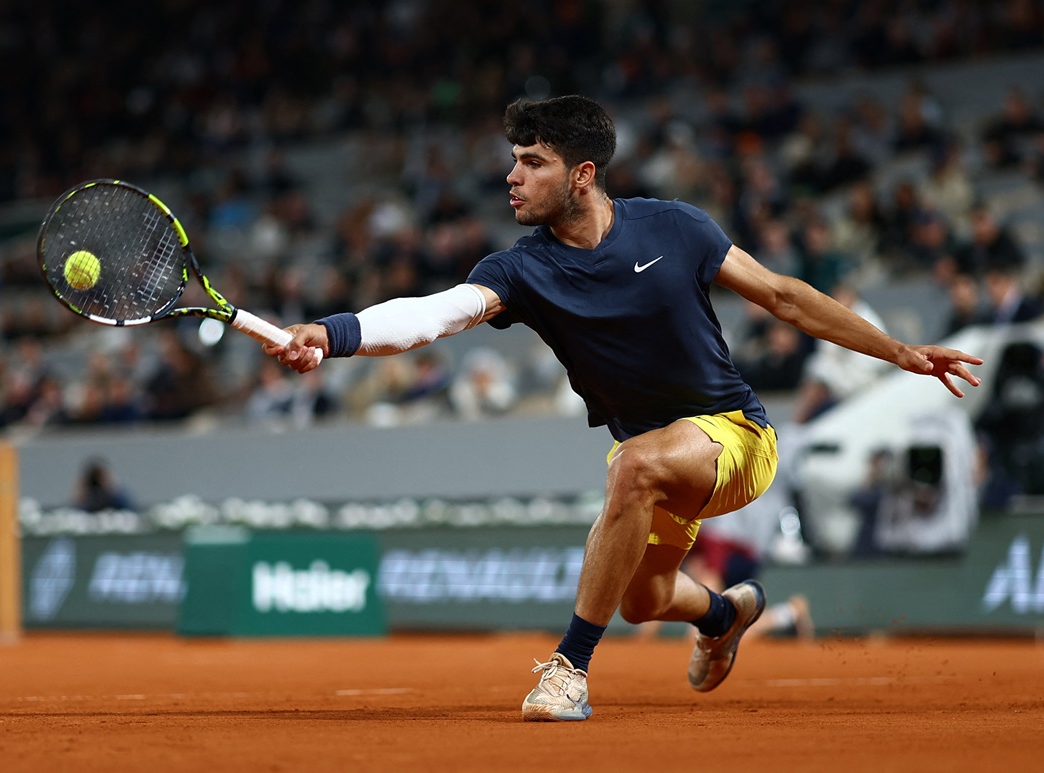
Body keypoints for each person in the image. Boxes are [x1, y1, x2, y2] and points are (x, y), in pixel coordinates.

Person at [265, 95, 983, 722]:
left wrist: (900, 351)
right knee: (645, 598)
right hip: (653, 454)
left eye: (532, 162)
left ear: (582, 175)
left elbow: (784, 295)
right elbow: (436, 316)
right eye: (513, 160)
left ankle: (569, 668)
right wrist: (334, 334)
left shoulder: (675, 226)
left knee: (633, 465)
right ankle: (728, 613)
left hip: (737, 437)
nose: (512, 177)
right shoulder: (522, 268)